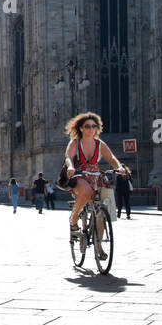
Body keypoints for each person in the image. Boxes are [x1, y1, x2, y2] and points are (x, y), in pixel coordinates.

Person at [63, 112, 129, 261]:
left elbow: (111, 158)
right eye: (87, 126)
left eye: (94, 126)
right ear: (81, 128)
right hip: (80, 174)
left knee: (101, 212)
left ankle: (99, 248)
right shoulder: (75, 142)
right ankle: (73, 220)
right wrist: (71, 167)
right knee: (85, 191)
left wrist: (119, 167)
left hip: (96, 176)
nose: (91, 129)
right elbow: (68, 157)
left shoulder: (99, 144)